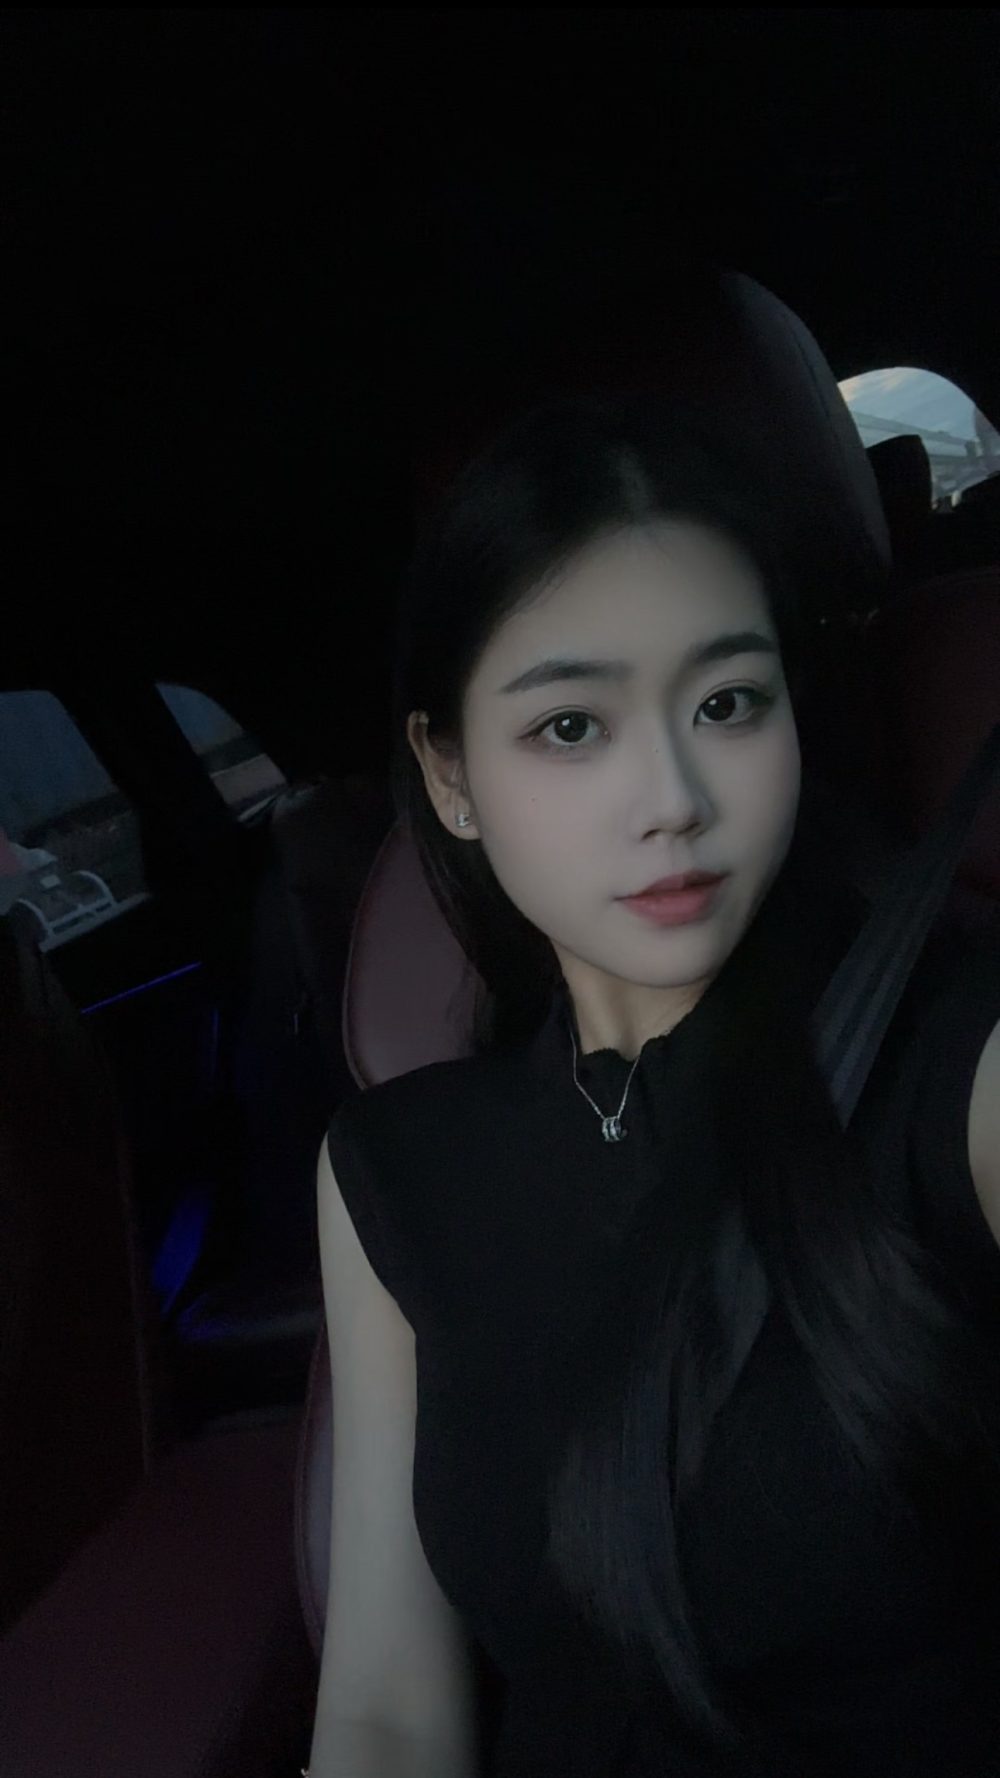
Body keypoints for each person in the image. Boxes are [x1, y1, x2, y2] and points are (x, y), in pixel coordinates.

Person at [307, 393, 1000, 1777]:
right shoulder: (394, 1172)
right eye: (571, 726)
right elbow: (385, 1708)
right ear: (450, 774)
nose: (674, 795)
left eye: (727, 703)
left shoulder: (952, 1061)